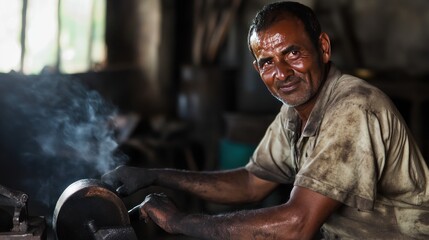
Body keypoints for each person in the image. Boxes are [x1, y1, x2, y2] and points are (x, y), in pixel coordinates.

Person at [102, 1, 429, 239]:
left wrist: (179, 222)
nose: (282, 73)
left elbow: (297, 224)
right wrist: (155, 176)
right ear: (258, 70)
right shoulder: (295, 109)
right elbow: (251, 183)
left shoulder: (352, 109)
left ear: (323, 48)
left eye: (293, 53)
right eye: (267, 62)